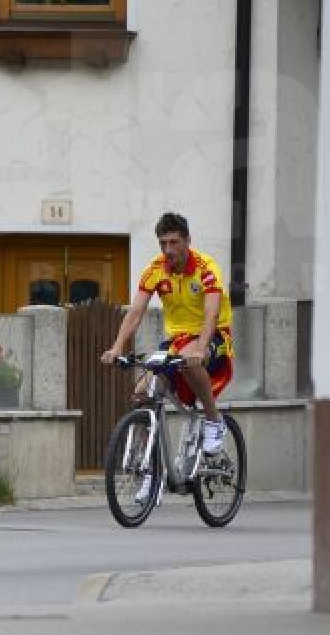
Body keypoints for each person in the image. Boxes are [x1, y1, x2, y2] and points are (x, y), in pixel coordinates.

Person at [101, 213, 234, 499]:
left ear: (187, 240)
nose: (169, 249)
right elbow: (135, 312)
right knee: (142, 394)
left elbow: (212, 312)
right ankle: (151, 472)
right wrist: (117, 347)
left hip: (213, 337)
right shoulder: (155, 270)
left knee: (188, 358)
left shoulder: (206, 268)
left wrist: (201, 346)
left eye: (174, 242)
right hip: (176, 341)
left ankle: (214, 421)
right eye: (163, 243)